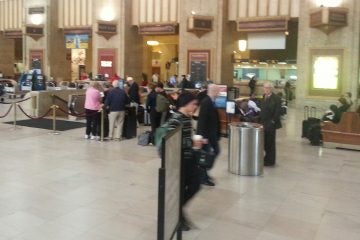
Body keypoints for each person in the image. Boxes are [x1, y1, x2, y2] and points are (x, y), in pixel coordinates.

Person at [164, 91, 204, 231]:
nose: (195, 107)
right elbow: (171, 142)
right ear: (186, 104)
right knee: (187, 186)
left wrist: (194, 143)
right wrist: (191, 143)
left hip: (189, 158)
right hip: (180, 161)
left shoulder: (186, 118)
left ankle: (178, 210)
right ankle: (178, 214)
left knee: (195, 184)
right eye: (193, 104)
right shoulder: (176, 119)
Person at [196, 84, 221, 186]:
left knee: (213, 153)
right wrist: (203, 137)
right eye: (217, 91)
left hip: (211, 134)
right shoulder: (206, 102)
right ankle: (203, 177)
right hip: (207, 136)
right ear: (213, 91)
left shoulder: (210, 101)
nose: (219, 93)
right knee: (206, 156)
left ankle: (205, 172)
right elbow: (202, 121)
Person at [259, 82, 282, 166]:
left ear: (271, 89)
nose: (266, 89)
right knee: (264, 142)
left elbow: (277, 112)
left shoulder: (276, 98)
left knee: (270, 143)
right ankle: (266, 158)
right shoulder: (263, 97)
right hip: (263, 123)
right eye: (264, 87)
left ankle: (270, 160)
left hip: (271, 124)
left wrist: (272, 122)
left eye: (268, 88)